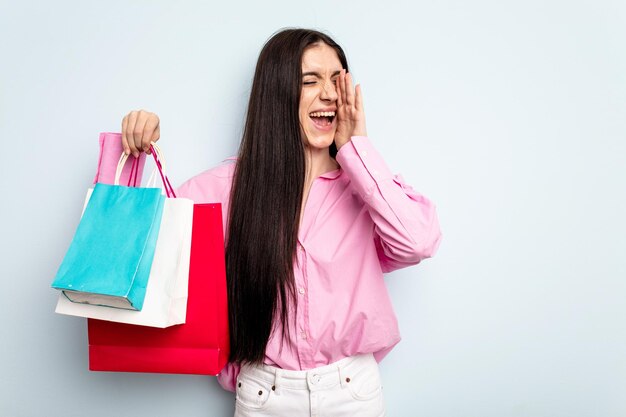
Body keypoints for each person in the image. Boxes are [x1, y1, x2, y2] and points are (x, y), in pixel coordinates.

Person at [120, 28, 441, 417]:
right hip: (263, 396)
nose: (329, 94)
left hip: (353, 395)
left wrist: (358, 148)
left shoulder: (366, 187)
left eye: (336, 79)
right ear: (276, 94)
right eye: (310, 80)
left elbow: (418, 242)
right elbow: (137, 259)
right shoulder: (223, 188)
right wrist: (138, 153)